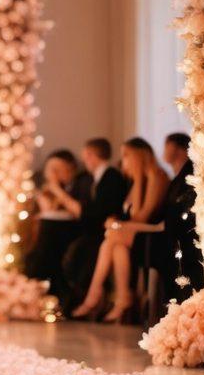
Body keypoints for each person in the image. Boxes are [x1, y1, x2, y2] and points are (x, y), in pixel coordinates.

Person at [72, 138, 170, 323]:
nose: (123, 160)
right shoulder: (135, 179)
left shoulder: (157, 175)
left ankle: (100, 296)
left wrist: (140, 179)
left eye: (127, 155)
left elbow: (143, 216)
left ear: (139, 155)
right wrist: (116, 220)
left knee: (112, 236)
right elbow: (131, 216)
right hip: (137, 231)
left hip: (154, 232)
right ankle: (121, 297)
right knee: (116, 245)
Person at [59, 138, 131, 313]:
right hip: (98, 230)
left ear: (91, 155)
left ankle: (89, 299)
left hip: (102, 232)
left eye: (85, 156)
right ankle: (87, 299)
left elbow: (100, 212)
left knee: (79, 249)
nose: (84, 161)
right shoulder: (97, 177)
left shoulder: (111, 176)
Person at [23, 150, 86, 290]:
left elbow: (77, 211)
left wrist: (56, 188)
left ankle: (37, 279)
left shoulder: (79, 183)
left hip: (70, 231)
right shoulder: (42, 185)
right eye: (52, 169)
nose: (55, 173)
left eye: (58, 169)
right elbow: (47, 208)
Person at [160, 133, 198, 305]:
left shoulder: (189, 174)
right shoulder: (176, 178)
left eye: (167, 145)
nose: (164, 150)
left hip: (182, 237)